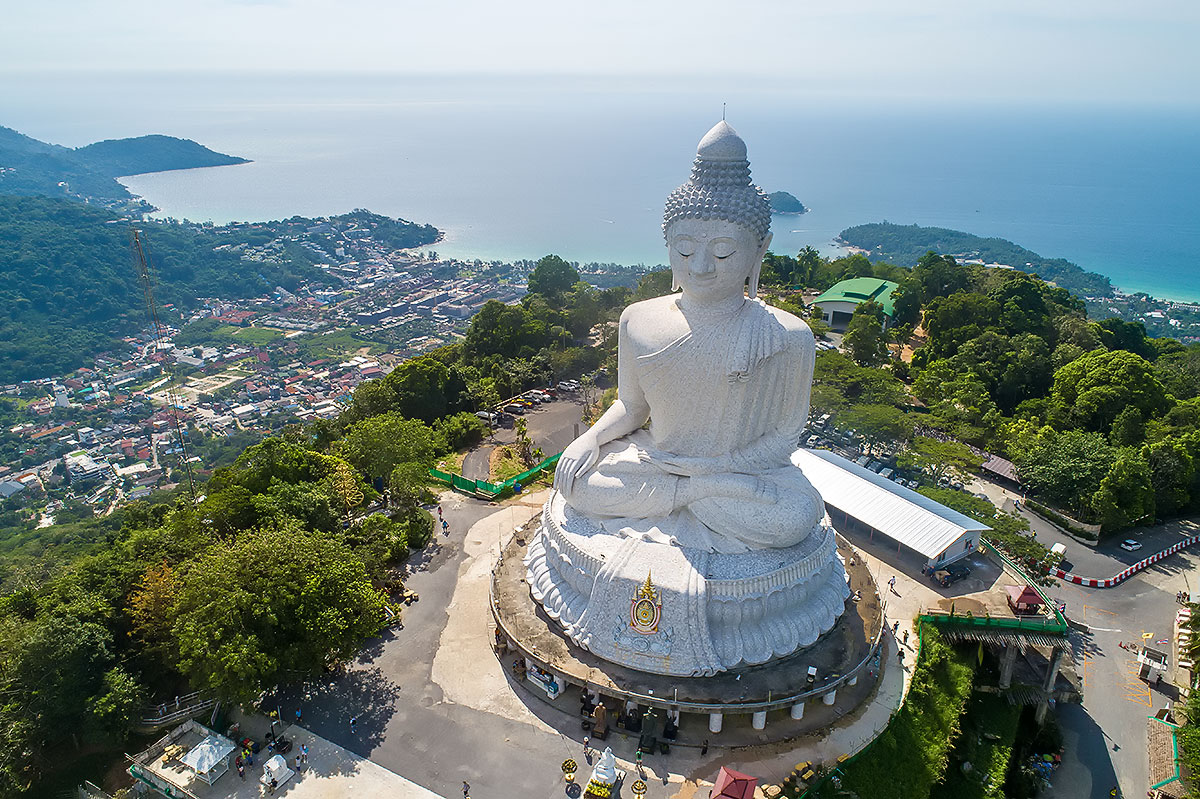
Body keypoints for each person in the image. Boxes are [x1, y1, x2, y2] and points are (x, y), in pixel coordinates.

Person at [553, 122, 822, 554]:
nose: (700, 267)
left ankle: (683, 498)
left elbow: (784, 438)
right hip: (658, 460)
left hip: (737, 474)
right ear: (667, 245)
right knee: (577, 483)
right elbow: (632, 406)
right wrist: (591, 438)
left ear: (760, 249)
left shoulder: (788, 336)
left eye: (722, 251)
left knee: (792, 518)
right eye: (683, 249)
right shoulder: (637, 318)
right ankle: (690, 499)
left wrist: (714, 468)